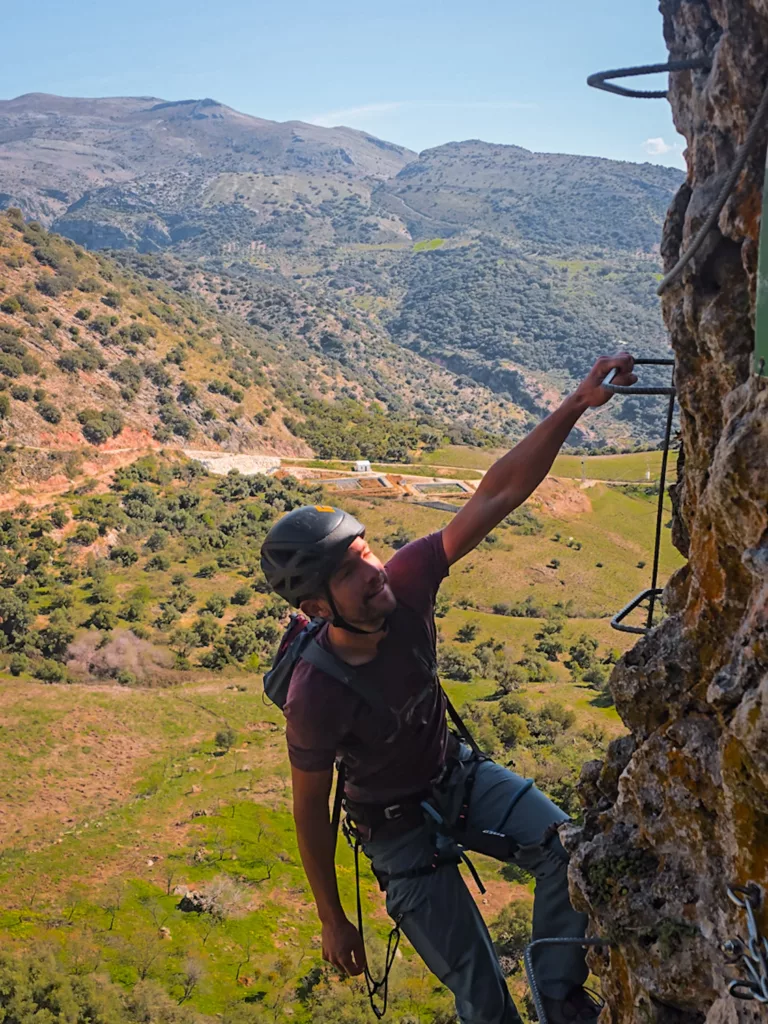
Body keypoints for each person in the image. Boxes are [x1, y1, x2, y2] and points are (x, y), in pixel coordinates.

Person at [260, 353, 636, 1024]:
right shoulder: (316, 695)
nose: (374, 571)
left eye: (367, 552)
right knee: (483, 1001)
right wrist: (333, 919)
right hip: (395, 831)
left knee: (567, 852)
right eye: (352, 573)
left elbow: (496, 492)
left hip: (453, 775)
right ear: (318, 608)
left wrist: (577, 404)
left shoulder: (404, 584)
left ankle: (557, 998)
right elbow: (309, 813)